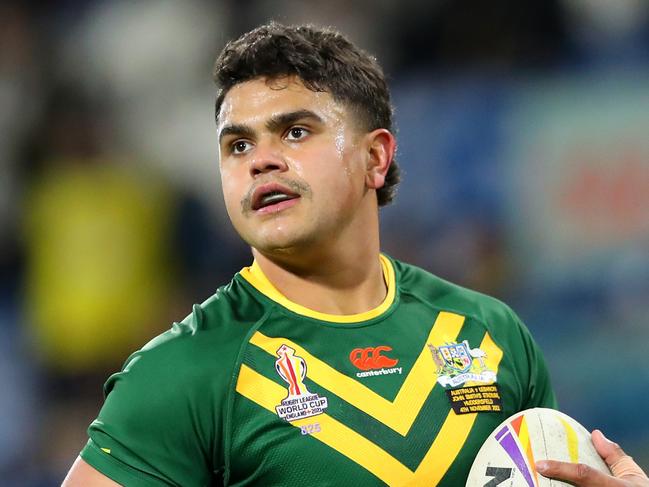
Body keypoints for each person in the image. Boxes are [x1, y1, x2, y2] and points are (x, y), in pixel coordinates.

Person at [63, 22, 648, 487]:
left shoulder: (491, 335)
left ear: (376, 158)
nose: (260, 160)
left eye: (295, 132)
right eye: (238, 144)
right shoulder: (183, 372)